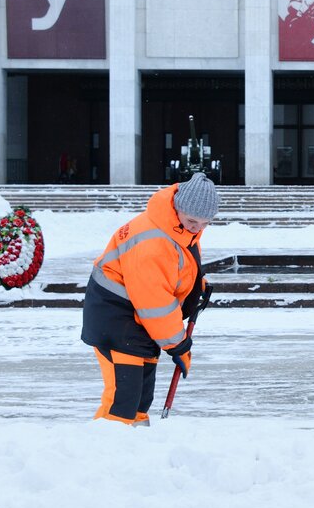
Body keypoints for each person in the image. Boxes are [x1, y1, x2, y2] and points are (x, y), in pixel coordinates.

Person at [81, 172, 218, 425]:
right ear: (179, 209)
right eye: (192, 221)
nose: (197, 228)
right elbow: (154, 300)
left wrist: (197, 288)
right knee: (123, 399)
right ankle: (102, 451)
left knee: (141, 397)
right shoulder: (154, 240)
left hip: (136, 322)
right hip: (116, 319)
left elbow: (176, 270)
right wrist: (177, 344)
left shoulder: (176, 228)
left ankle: (139, 449)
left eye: (204, 223)